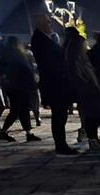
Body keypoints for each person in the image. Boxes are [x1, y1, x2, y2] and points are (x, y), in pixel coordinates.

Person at [31, 15, 74, 155]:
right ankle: (61, 146)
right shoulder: (40, 40)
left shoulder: (43, 39)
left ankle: (62, 144)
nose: (51, 25)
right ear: (41, 24)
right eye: (48, 23)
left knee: (60, 116)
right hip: (55, 84)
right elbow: (50, 63)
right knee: (59, 116)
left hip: (56, 83)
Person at [65, 28, 100, 151]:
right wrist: (89, 87)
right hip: (88, 93)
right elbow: (81, 79)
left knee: (94, 117)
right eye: (84, 44)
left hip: (92, 91)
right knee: (91, 117)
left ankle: (94, 139)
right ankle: (92, 140)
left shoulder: (84, 59)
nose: (86, 46)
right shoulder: (76, 63)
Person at [0, 36, 40, 143]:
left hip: (14, 87)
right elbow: (24, 70)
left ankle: (28, 133)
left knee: (21, 110)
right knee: (17, 110)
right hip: (19, 87)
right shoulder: (17, 56)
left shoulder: (6, 55)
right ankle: (4, 131)